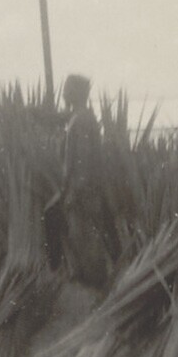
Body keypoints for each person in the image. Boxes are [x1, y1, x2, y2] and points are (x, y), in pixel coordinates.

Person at [51, 74, 113, 290]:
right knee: (81, 235)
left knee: (86, 235)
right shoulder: (80, 118)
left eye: (67, 90)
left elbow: (83, 161)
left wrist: (75, 191)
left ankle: (97, 284)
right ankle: (91, 281)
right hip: (81, 189)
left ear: (76, 94)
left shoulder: (82, 121)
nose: (63, 94)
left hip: (83, 191)